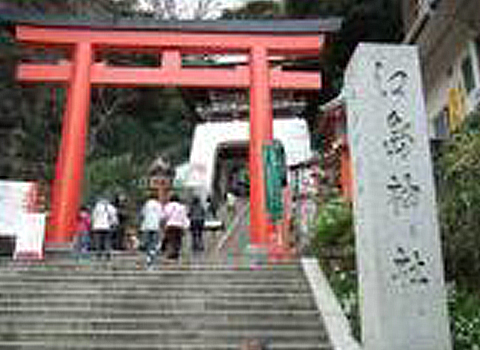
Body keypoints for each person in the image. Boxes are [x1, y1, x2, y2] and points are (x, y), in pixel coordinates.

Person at [162, 194, 189, 261]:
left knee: (171, 239)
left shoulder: (168, 206)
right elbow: (184, 217)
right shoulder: (182, 207)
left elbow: (165, 215)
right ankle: (176, 253)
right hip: (179, 225)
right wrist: (186, 226)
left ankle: (171, 252)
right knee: (178, 240)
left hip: (170, 225)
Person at [139, 192, 164, 268]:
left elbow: (142, 214)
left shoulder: (146, 204)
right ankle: (151, 258)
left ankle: (148, 258)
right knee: (154, 243)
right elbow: (161, 216)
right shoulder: (158, 204)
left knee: (148, 243)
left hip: (146, 226)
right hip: (155, 226)